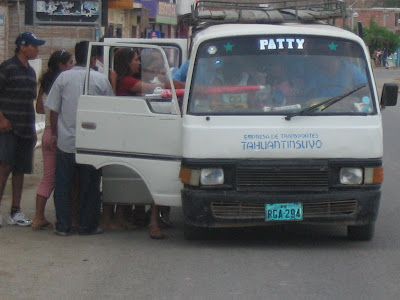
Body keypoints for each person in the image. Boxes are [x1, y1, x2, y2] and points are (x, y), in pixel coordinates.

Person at [45, 41, 114, 236]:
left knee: (63, 185)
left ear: (76, 57)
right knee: (90, 187)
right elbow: (110, 111)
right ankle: (86, 226)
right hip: (92, 143)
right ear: (94, 59)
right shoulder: (101, 80)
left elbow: (54, 109)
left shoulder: (63, 78)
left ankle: (63, 226)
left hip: (66, 142)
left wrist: (56, 134)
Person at [113, 47, 167, 239]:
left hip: (132, 135)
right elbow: (152, 88)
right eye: (136, 59)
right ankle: (151, 221)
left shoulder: (124, 80)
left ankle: (135, 216)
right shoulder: (128, 81)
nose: (138, 63)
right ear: (128, 62)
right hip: (133, 136)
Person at [0, 32, 46, 227]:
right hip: (8, 127)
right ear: (22, 46)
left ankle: (15, 211)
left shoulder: (31, 71)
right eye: (34, 46)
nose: (36, 50)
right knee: (4, 168)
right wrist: (1, 118)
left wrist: (33, 130)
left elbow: (31, 100)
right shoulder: (7, 68)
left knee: (19, 170)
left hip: (26, 127)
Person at [32, 50, 73, 230]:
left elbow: (40, 108)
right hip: (58, 133)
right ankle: (55, 216)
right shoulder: (63, 83)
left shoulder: (46, 83)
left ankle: (38, 216)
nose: (72, 65)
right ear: (62, 66)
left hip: (47, 132)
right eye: (70, 62)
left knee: (48, 177)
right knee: (63, 178)